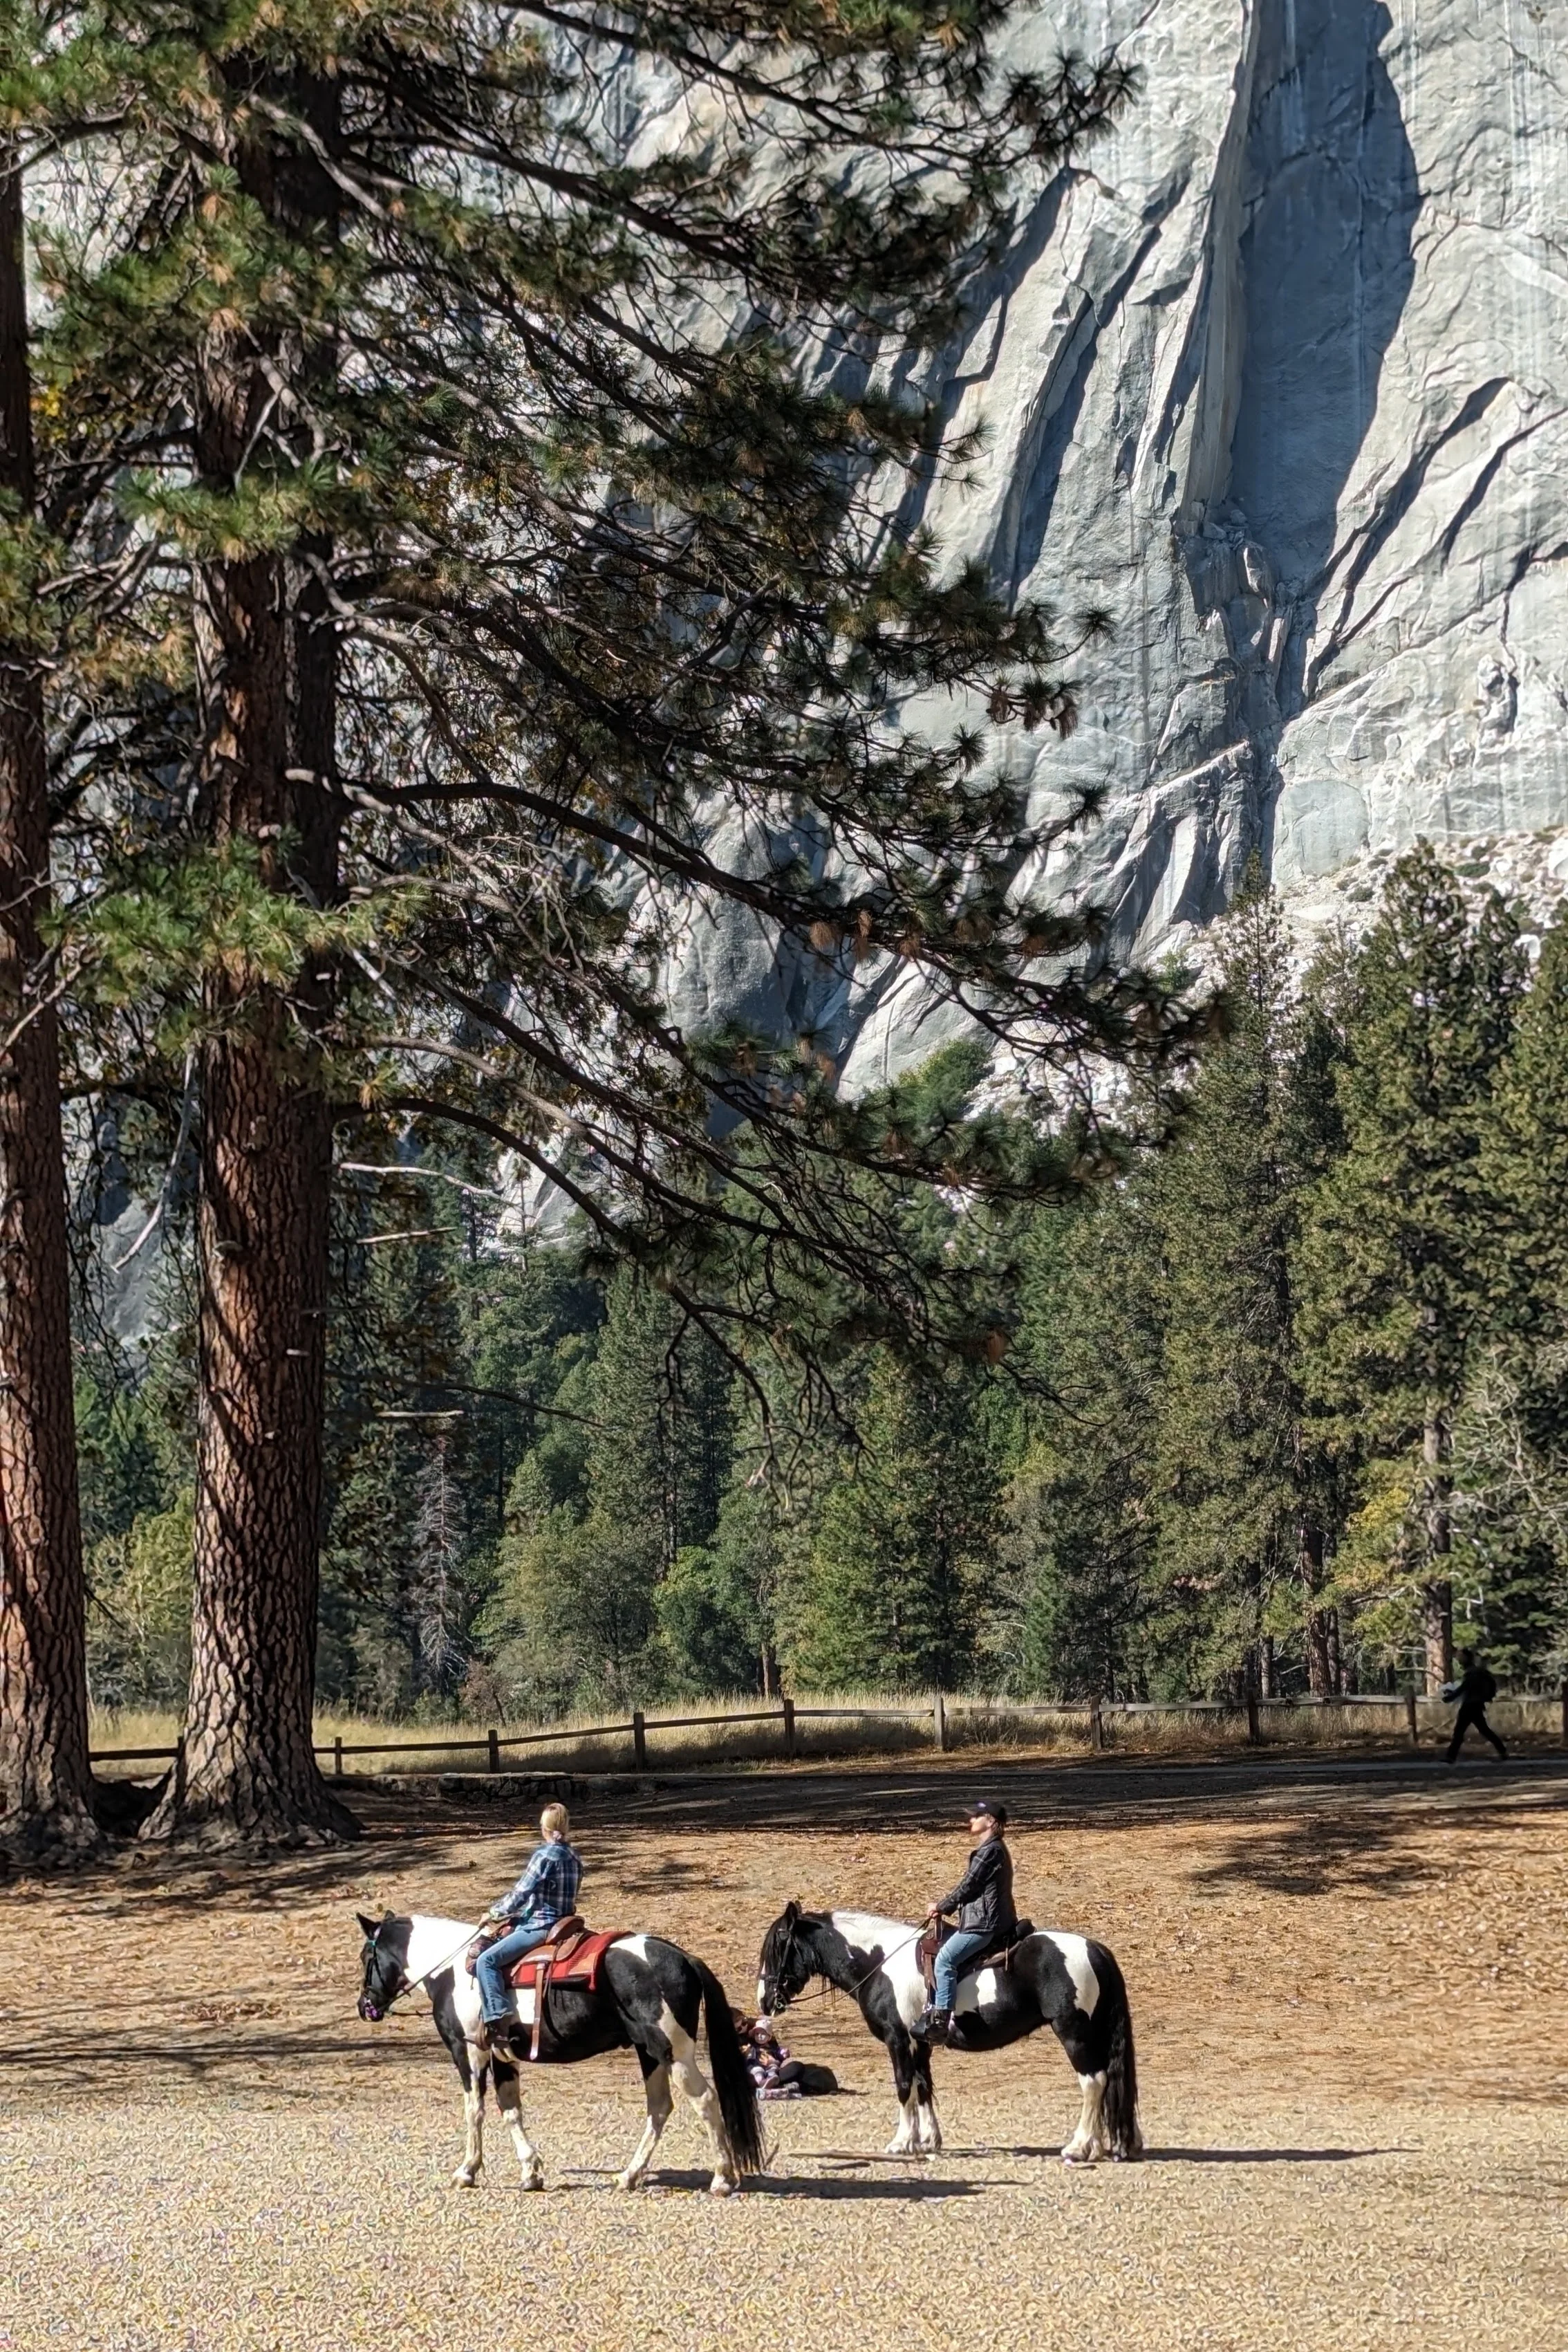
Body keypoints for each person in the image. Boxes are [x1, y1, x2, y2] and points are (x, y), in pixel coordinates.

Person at [474, 1802, 584, 2044]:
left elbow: (520, 1894)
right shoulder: (575, 1857)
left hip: (541, 1926)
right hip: (566, 1924)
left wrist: (492, 1914)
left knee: (487, 1961)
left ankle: (497, 2019)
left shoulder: (544, 1856)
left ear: (544, 1828)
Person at [915, 1797, 1016, 2043]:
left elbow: (969, 1885)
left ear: (990, 1821)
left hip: (984, 1924)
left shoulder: (991, 1851)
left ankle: (940, 2021)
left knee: (945, 1960)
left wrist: (942, 1906)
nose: (970, 1820)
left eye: (976, 1816)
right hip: (983, 1920)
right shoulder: (991, 1849)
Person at [1442, 1650, 1508, 1763]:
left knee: (1459, 1731)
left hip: (1470, 1706)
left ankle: (1451, 1757)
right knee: (1484, 1730)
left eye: (1461, 1657)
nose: (1458, 1660)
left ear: (1467, 1658)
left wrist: (1450, 1697)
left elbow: (1464, 1688)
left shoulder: (1472, 1673)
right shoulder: (1475, 1672)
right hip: (1476, 1705)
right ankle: (1503, 1752)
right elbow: (1466, 1689)